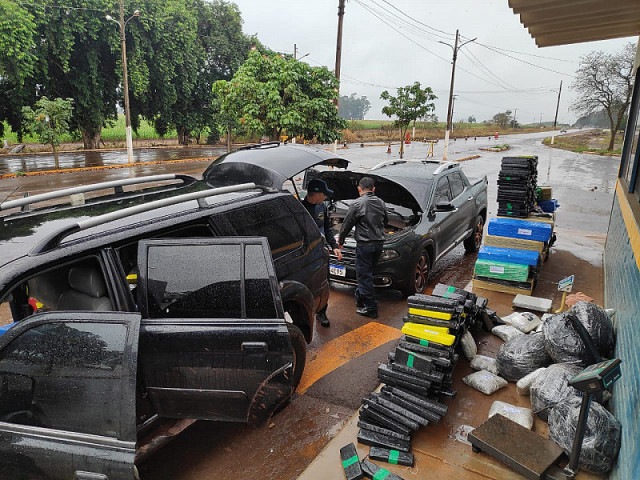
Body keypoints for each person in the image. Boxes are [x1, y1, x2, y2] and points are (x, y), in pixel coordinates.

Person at [338, 177, 387, 319]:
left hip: (365, 245)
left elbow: (347, 224)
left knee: (364, 277)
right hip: (378, 244)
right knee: (367, 274)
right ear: (373, 189)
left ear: (359, 189)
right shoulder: (381, 202)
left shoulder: (357, 203)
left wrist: (340, 241)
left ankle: (371, 309)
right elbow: (386, 220)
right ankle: (360, 299)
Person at [301, 178, 342, 327]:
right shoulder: (299, 209)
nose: (325, 197)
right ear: (315, 194)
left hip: (321, 253)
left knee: (324, 283)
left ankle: (322, 313)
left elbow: (327, 228)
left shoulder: (322, 207)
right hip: (305, 256)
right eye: (324, 194)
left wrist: (334, 245)